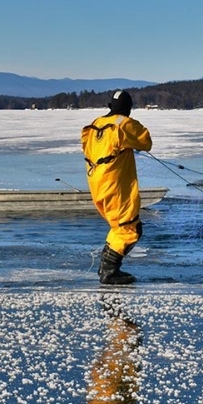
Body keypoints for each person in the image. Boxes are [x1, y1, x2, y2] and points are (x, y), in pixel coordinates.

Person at [81, 90, 152, 285]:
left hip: (97, 184)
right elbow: (146, 142)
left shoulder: (95, 124)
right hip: (116, 185)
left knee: (119, 226)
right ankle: (109, 271)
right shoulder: (125, 124)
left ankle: (106, 267)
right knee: (131, 229)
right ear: (128, 108)